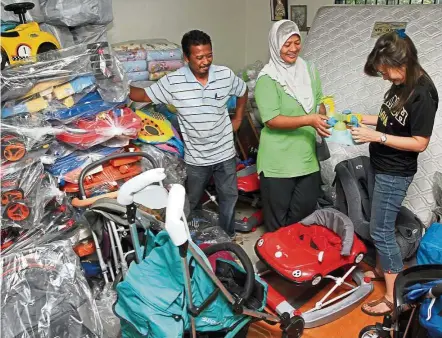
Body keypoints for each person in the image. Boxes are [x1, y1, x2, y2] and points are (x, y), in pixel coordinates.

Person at [351, 29, 439, 316]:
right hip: (380, 164)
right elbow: (390, 120)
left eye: (386, 71)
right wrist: (355, 119)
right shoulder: (401, 85)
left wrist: (376, 138)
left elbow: (419, 142)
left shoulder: (424, 93)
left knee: (380, 230)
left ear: (402, 63)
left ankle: (392, 297)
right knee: (379, 224)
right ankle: (382, 268)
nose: (385, 77)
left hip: (395, 172)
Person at [129, 30, 249, 239]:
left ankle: (227, 236)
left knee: (229, 197)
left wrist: (237, 119)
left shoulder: (225, 75)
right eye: (199, 57)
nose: (206, 62)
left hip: (225, 152)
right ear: (186, 58)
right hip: (196, 158)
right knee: (190, 201)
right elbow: (138, 94)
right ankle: (190, 240)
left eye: (209, 55)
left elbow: (243, 90)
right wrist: (115, 83)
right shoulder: (173, 83)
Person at [254, 20, 330, 233]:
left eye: (297, 42)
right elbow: (271, 119)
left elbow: (318, 100)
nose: (294, 49)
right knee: (278, 221)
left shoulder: (309, 70)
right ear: (275, 45)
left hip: (306, 158)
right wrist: (309, 120)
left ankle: (294, 257)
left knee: (303, 213)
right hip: (277, 162)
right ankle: (277, 261)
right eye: (287, 44)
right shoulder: (267, 78)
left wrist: (323, 114)